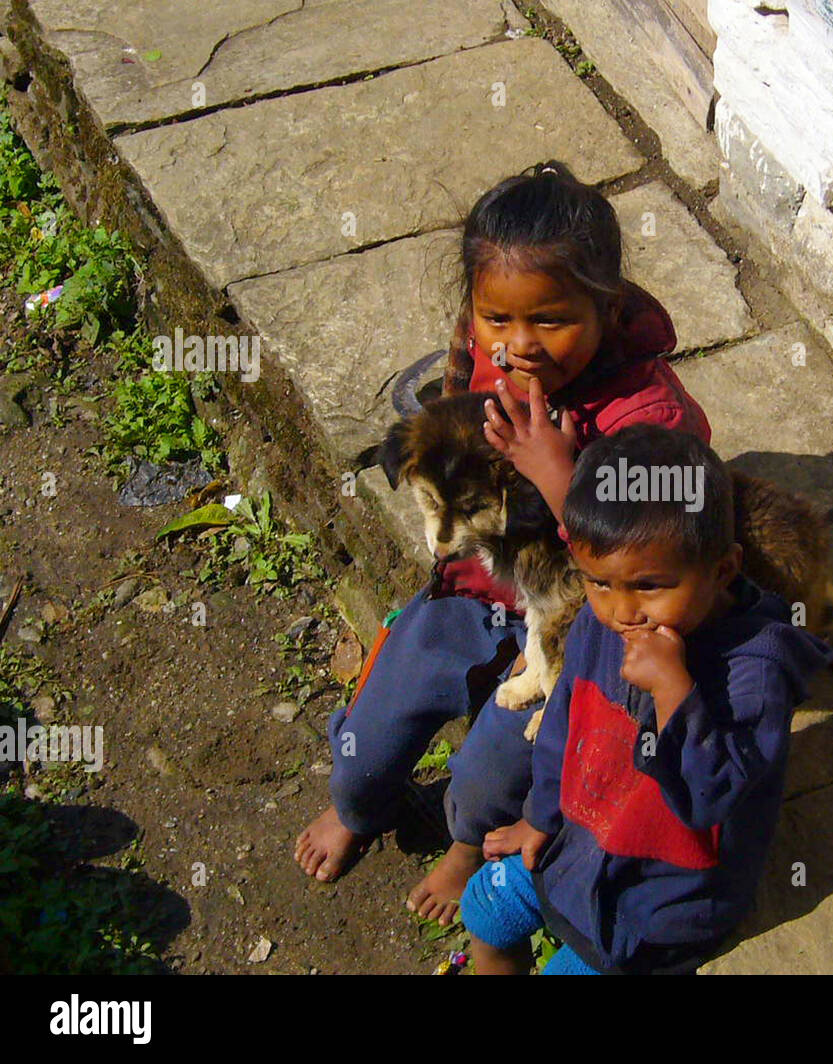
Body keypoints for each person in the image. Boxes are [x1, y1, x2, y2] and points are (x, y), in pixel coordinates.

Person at [294, 161, 711, 911]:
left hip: (583, 617)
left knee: (491, 771)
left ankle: (464, 850)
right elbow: (450, 442)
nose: (520, 345)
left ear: (607, 308)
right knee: (371, 735)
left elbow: (655, 564)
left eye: (550, 320)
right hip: (483, 585)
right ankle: (359, 804)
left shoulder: (649, 419)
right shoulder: (482, 350)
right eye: (497, 320)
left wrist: (561, 478)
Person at [460, 426, 833, 974]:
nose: (622, 611)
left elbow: (713, 796)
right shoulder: (598, 623)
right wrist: (541, 815)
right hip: (580, 838)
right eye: (599, 582)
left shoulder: (755, 672)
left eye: (650, 586)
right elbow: (563, 722)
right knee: (483, 914)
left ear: (723, 569)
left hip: (660, 897)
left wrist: (675, 692)